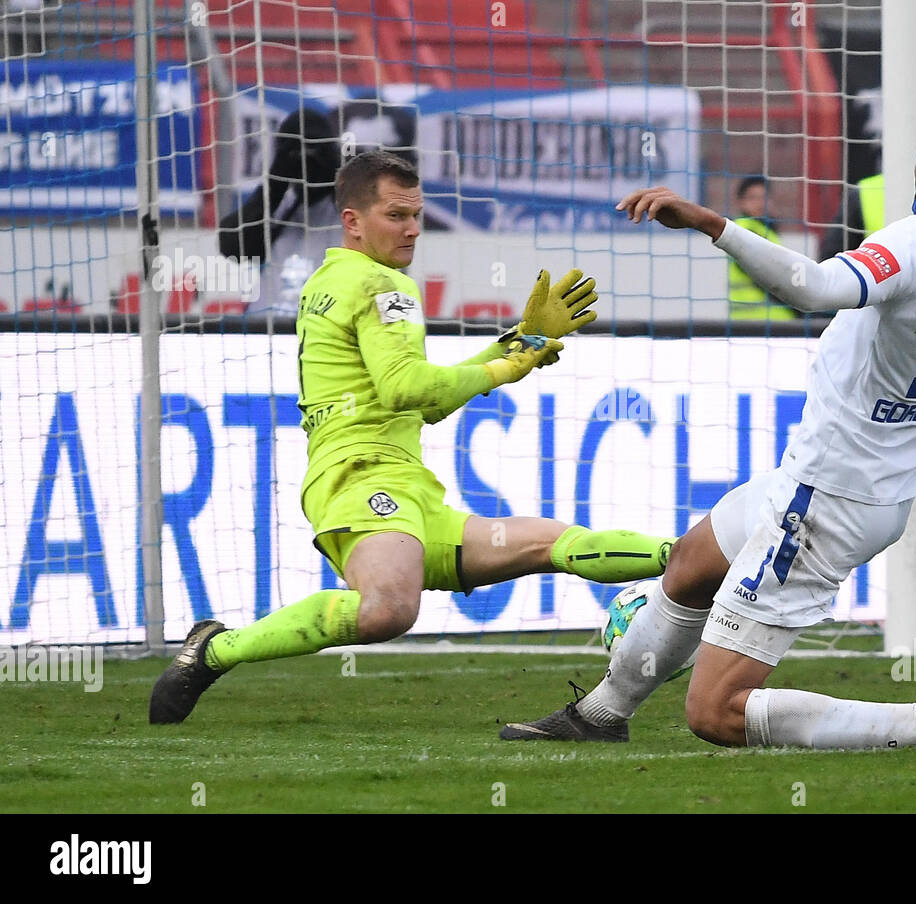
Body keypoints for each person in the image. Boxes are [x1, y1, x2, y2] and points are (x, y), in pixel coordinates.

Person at [500, 100, 916, 749]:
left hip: (823, 501)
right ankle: (601, 714)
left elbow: (813, 287)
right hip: (857, 490)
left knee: (714, 712)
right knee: (688, 566)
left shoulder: (914, 246)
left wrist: (715, 224)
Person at [150, 150, 676, 724]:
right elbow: (409, 391)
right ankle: (215, 650)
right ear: (353, 221)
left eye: (417, 215)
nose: (413, 229)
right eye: (396, 215)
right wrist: (507, 365)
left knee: (555, 543)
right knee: (389, 611)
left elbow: (414, 400)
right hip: (363, 482)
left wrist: (517, 343)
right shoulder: (382, 286)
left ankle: (694, 562)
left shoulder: (332, 279)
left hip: (409, 495)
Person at [219, 108, 343, 316]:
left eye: (317, 149)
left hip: (327, 329)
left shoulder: (349, 210)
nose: (307, 162)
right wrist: (277, 178)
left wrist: (335, 172)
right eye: (296, 152)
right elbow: (231, 247)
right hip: (268, 327)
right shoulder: (277, 206)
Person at [728, 176, 796, 321]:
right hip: (756, 323)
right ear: (741, 203)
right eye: (752, 198)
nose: (759, 203)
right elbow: (768, 277)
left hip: (769, 319)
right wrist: (796, 305)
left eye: (764, 197)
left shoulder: (766, 231)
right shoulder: (743, 229)